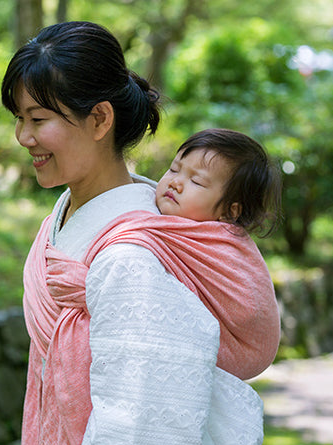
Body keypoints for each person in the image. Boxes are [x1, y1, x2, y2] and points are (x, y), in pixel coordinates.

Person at [1, 21, 264, 445]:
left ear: (100, 119)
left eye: (38, 119)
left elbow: (143, 441)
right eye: (19, 118)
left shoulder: (133, 259)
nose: (24, 137)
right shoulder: (61, 222)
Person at [95, 128, 282, 380]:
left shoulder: (223, 245)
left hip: (233, 345)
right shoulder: (156, 214)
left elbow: (248, 306)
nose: (175, 182)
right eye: (174, 169)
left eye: (197, 181)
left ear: (229, 212)